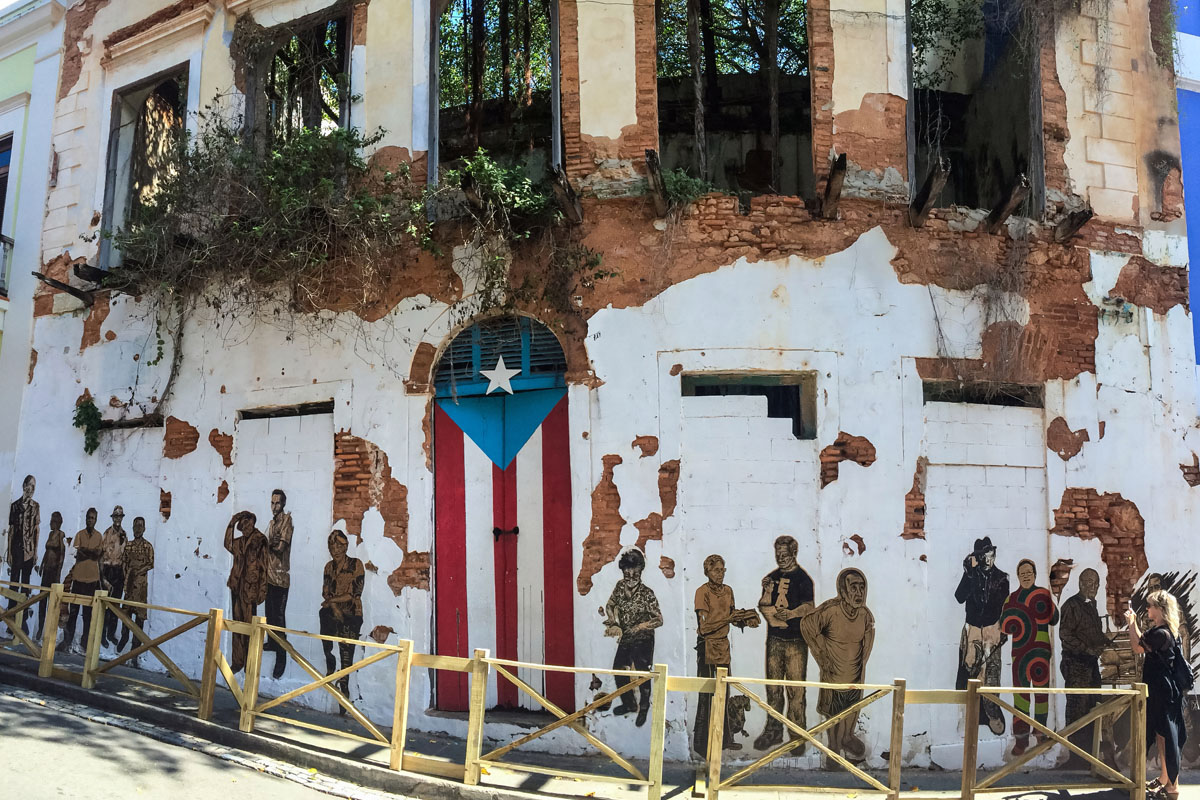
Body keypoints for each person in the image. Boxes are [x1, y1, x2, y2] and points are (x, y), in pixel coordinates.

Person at [801, 567, 876, 763]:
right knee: (834, 715)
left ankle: (847, 737)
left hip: (854, 675)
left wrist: (863, 661)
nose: (858, 593)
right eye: (853, 588)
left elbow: (869, 632)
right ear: (842, 591)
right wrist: (822, 656)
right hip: (833, 675)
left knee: (852, 708)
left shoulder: (864, 615)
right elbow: (807, 625)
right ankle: (833, 750)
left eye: (862, 587)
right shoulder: (831, 611)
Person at [693, 554, 759, 756]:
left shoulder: (728, 591)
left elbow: (731, 617)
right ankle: (704, 745)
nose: (720, 574)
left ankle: (724, 739)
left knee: (725, 694)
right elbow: (704, 627)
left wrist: (745, 620)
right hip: (707, 648)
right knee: (709, 696)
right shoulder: (701, 592)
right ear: (707, 572)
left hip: (723, 647)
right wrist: (729, 618)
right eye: (716, 570)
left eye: (722, 570)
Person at [754, 535, 816, 752]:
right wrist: (768, 593)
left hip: (796, 643)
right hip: (774, 641)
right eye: (777, 554)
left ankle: (797, 735)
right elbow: (764, 604)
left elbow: (809, 607)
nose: (780, 558)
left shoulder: (803, 579)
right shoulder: (771, 578)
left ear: (794, 554)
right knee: (773, 689)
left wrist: (791, 614)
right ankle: (773, 731)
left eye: (784, 554)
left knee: (796, 691)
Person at [1126, 590, 1188, 799]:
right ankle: (1164, 778)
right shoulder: (1166, 631)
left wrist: (1131, 621)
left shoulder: (1161, 633)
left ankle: (1172, 787)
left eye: (1151, 606)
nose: (1148, 609)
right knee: (1163, 736)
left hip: (1163, 691)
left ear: (1160, 610)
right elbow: (1143, 642)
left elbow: (1137, 646)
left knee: (1168, 737)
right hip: (1164, 690)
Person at [1000, 559, 1060, 756]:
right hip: (1020, 654)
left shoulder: (1043, 594)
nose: (1026, 576)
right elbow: (1004, 626)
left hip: (1041, 651)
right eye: (1022, 573)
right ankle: (1021, 738)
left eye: (1029, 573)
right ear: (1018, 577)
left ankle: (1041, 732)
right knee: (1021, 696)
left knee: (1042, 694)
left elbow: (1054, 618)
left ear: (1035, 574)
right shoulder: (1012, 599)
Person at [955, 536, 1009, 735]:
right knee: (971, 671)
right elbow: (959, 597)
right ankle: (975, 715)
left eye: (990, 555)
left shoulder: (1002, 578)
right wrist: (968, 573)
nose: (987, 559)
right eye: (983, 556)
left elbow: (1002, 605)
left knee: (992, 672)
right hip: (973, 627)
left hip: (993, 627)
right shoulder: (971, 575)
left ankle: (993, 712)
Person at [603, 548, 663, 727]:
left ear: (640, 571)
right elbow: (610, 604)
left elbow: (659, 620)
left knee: (643, 674)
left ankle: (644, 708)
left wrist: (640, 627)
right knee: (619, 670)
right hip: (627, 635)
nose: (630, 577)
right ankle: (629, 704)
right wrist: (613, 621)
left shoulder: (647, 593)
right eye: (626, 573)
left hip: (644, 637)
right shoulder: (620, 587)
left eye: (634, 572)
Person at [1059, 568, 1111, 765]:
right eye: (1090, 583)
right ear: (1081, 583)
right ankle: (1076, 757)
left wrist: (1107, 642)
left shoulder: (1091, 605)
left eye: (1097, 583)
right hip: (1076, 665)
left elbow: (1094, 632)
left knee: (1092, 708)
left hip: (1090, 665)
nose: (1094, 587)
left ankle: (1088, 756)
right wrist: (1087, 649)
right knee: (1077, 710)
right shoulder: (1071, 605)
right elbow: (1065, 635)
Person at [320, 530, 365, 710]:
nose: (335, 549)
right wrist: (334, 607)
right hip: (334, 611)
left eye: (339, 545)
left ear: (345, 546)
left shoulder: (356, 565)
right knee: (324, 619)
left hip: (352, 613)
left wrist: (331, 601)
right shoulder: (328, 567)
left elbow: (354, 593)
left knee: (347, 653)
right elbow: (326, 591)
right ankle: (330, 663)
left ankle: (344, 687)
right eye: (332, 545)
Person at [224, 510, 268, 673]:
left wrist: (263, 588)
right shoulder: (239, 541)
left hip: (251, 587)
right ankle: (237, 661)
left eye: (246, 524)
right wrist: (231, 523)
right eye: (241, 525)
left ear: (252, 523)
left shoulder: (260, 540)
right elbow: (227, 544)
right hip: (237, 585)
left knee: (249, 626)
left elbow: (264, 566)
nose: (244, 527)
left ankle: (250, 661)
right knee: (237, 624)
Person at [64, 508, 103, 652]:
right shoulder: (79, 534)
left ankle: (85, 644)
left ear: (96, 519)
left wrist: (85, 551)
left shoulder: (99, 536)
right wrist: (89, 552)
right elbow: (76, 553)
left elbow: (97, 555)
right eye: (88, 517)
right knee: (73, 612)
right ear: (85, 518)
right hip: (78, 578)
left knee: (88, 614)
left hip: (92, 580)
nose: (90, 520)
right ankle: (67, 642)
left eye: (92, 518)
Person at [264, 489, 293, 679]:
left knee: (279, 618)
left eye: (278, 503)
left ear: (283, 504)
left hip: (281, 577)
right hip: (268, 576)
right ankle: (272, 643)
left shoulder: (286, 521)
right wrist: (269, 544)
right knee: (269, 615)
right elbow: (265, 544)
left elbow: (279, 548)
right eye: (272, 503)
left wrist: (271, 544)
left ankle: (281, 656)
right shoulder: (271, 523)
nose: (274, 507)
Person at [6, 475, 40, 635]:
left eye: (34, 486)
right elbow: (12, 530)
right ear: (24, 485)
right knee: (14, 583)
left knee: (25, 585)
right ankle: (10, 618)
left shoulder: (35, 506)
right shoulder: (15, 506)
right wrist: (9, 552)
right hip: (17, 548)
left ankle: (23, 619)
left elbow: (36, 530)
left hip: (29, 549)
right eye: (29, 485)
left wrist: (35, 552)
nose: (31, 489)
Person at [118, 517, 155, 652]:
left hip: (141, 586)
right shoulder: (128, 545)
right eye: (135, 526)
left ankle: (135, 647)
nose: (137, 529)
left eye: (140, 526)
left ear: (144, 529)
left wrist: (139, 571)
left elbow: (151, 563)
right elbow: (124, 562)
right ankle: (124, 637)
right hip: (129, 584)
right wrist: (127, 574)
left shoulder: (148, 546)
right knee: (126, 613)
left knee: (139, 616)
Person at [35, 512, 66, 641]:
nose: (51, 523)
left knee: (51, 603)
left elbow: (62, 554)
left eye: (54, 521)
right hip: (46, 569)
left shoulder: (60, 534)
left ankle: (48, 631)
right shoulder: (50, 534)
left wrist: (58, 572)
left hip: (54, 571)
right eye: (51, 520)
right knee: (42, 601)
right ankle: (40, 629)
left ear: (58, 522)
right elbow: (47, 551)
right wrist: (41, 565)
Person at [99, 505, 127, 647]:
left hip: (118, 571)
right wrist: (102, 576)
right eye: (115, 516)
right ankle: (102, 635)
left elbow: (124, 556)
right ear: (112, 518)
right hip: (108, 569)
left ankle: (111, 634)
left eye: (120, 517)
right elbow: (101, 555)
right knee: (105, 605)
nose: (118, 519)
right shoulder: (107, 533)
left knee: (116, 605)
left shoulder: (124, 534)